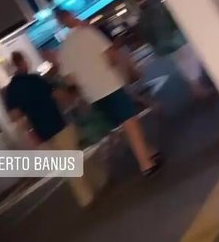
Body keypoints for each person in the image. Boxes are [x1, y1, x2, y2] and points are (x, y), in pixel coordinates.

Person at [55, 9, 161, 177]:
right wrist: (120, 70)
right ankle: (145, 164)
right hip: (109, 85)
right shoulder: (89, 33)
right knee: (131, 123)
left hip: (93, 95)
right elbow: (111, 56)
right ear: (71, 17)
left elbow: (69, 79)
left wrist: (85, 82)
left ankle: (148, 151)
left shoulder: (64, 49)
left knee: (124, 125)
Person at [5, 51, 106, 208]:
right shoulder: (35, 79)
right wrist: (74, 100)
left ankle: (99, 181)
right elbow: (56, 94)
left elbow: (16, 116)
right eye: (26, 60)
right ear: (22, 62)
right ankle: (88, 196)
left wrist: (30, 134)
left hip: (41, 132)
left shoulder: (11, 90)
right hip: (57, 123)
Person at [134, 0, 213, 100]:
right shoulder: (158, 7)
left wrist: (156, 46)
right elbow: (173, 20)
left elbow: (146, 36)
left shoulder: (142, 18)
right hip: (177, 40)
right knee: (191, 62)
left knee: (185, 65)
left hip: (164, 47)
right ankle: (198, 89)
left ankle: (197, 89)